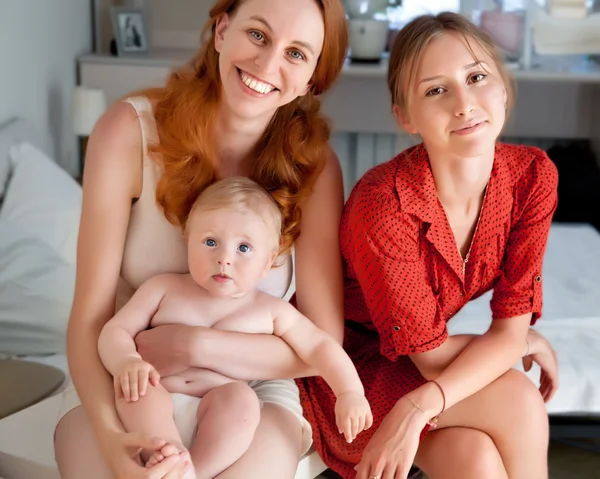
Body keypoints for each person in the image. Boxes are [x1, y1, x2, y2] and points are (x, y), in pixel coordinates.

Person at [54, 0, 348, 477]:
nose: (267, 63)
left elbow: (320, 341)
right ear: (222, 30)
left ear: (312, 77)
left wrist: (195, 346)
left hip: (251, 391)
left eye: (296, 53)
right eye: (257, 34)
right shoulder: (128, 133)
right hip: (127, 379)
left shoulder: (315, 168)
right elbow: (90, 318)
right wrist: (114, 441)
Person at [298, 12, 560, 479]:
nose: (464, 103)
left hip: (426, 370)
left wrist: (421, 405)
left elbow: (508, 331)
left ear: (503, 87)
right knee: (518, 397)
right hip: (348, 374)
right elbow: (438, 356)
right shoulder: (383, 205)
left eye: (477, 77)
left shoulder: (533, 177)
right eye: (436, 90)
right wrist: (508, 342)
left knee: (476, 459)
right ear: (405, 117)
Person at [97, 177, 372, 479]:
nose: (224, 259)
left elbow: (320, 346)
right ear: (188, 239)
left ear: (269, 262)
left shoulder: (269, 310)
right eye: (211, 242)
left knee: (243, 401)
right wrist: (126, 360)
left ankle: (196, 471)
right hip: (159, 391)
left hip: (221, 404)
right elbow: (116, 331)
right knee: (135, 390)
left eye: (243, 247)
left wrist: (349, 391)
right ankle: (169, 456)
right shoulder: (163, 288)